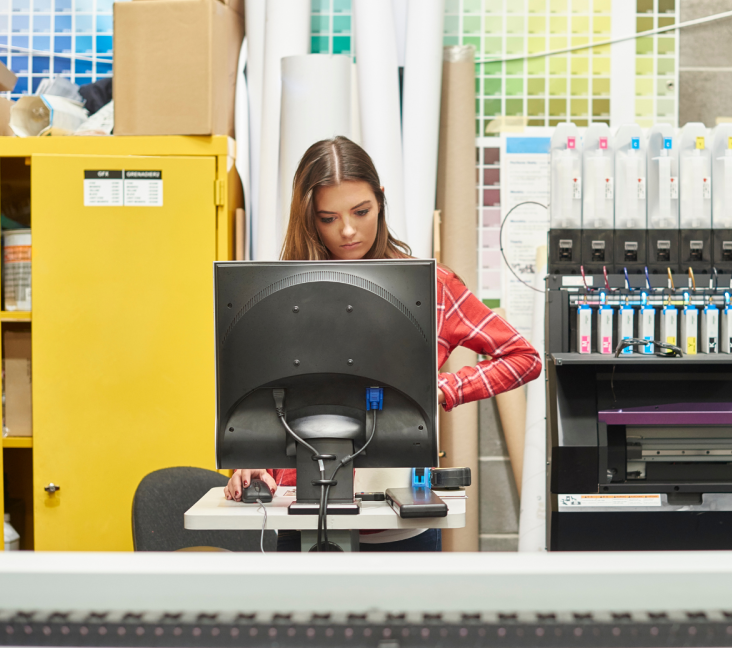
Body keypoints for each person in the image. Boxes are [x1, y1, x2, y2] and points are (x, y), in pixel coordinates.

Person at [223, 136, 541, 551]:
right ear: (308, 219)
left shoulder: (430, 287)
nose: (349, 230)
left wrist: (440, 390)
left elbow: (523, 357)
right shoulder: (276, 295)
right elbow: (264, 397)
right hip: (298, 519)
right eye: (328, 218)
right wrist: (251, 464)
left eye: (361, 211)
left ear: (381, 201)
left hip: (399, 526)